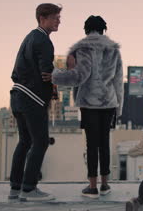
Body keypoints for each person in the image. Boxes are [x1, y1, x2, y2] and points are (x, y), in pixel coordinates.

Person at [52, 15, 123, 198]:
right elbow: (118, 81)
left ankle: (92, 187)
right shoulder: (114, 50)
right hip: (109, 103)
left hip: (90, 104)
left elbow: (79, 77)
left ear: (86, 29)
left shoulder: (83, 48)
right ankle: (105, 185)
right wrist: (118, 107)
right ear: (103, 29)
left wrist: (55, 75)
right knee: (104, 144)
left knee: (92, 145)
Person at [9, 3, 62, 201]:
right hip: (32, 98)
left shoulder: (30, 37)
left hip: (17, 96)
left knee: (24, 142)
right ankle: (29, 189)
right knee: (40, 142)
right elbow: (47, 73)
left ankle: (16, 187)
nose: (59, 21)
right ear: (42, 17)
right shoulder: (44, 41)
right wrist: (60, 74)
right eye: (55, 17)